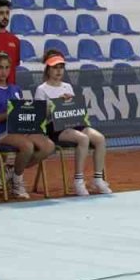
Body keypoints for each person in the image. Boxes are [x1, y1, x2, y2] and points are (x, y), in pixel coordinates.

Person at [0, 52, 55, 200]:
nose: (4, 71)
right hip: (0, 133)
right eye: (0, 67)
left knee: (48, 146)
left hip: (20, 129)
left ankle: (12, 171)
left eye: (7, 68)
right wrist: (7, 114)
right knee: (27, 146)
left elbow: (22, 112)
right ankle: (17, 182)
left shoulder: (15, 89)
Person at [34, 51, 111, 196]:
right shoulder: (41, 89)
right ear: (48, 69)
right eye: (55, 67)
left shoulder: (67, 87)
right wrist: (53, 106)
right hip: (54, 127)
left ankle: (98, 179)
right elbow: (40, 117)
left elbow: (74, 109)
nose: (58, 71)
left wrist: (70, 102)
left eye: (61, 67)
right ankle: (78, 181)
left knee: (100, 138)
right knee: (83, 139)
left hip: (72, 122)